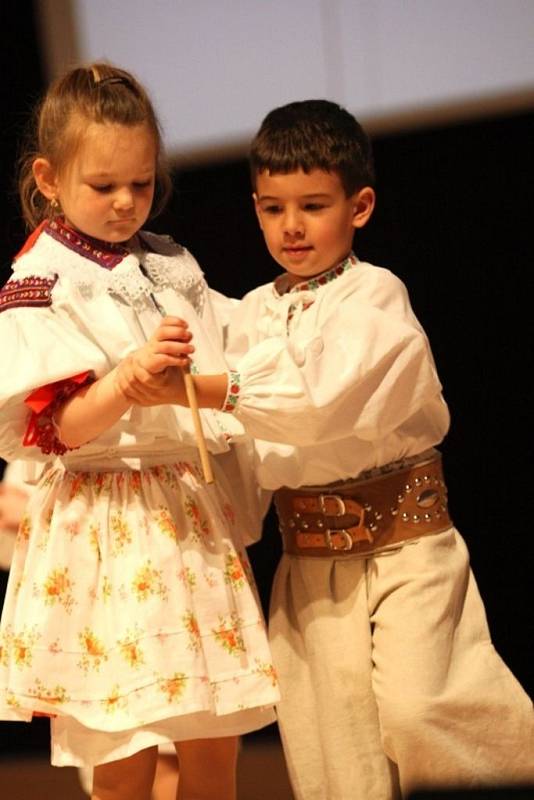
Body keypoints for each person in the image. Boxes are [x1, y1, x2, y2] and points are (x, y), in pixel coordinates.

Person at [122, 99, 534, 799]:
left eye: (313, 205)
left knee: (424, 711)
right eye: (272, 207)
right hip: (308, 568)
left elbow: (316, 404)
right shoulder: (250, 312)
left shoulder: (376, 298)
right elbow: (232, 442)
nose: (291, 226)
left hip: (407, 552)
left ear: (360, 205)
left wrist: (189, 391)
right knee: (336, 759)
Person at [0, 62, 279, 800]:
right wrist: (123, 383)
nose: (126, 203)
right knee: (124, 756)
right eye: (103, 186)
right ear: (49, 178)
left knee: (214, 744)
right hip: (107, 524)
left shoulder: (169, 262)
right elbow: (52, 429)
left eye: (143, 183)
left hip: (185, 520)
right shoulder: (44, 278)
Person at [0, 460, 181, 800]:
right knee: (107, 760)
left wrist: (30, 515)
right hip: (82, 601)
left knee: (166, 748)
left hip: (152, 573)